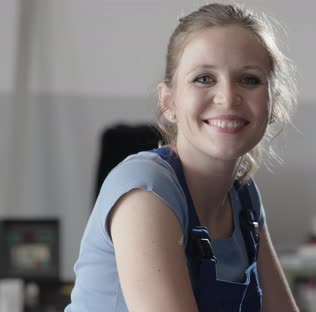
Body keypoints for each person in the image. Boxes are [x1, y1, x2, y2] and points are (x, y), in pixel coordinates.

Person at [65, 3, 299, 311]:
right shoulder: (145, 192)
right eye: (204, 78)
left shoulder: (244, 199)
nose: (227, 97)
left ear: (273, 104)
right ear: (168, 101)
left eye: (250, 79)